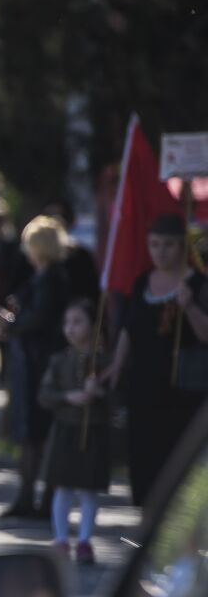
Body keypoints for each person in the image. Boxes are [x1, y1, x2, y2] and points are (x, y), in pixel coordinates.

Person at [104, 213, 208, 506]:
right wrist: (117, 365)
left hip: (182, 389)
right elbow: (130, 328)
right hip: (144, 387)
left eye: (169, 245)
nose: (161, 252)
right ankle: (143, 531)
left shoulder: (198, 285)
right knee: (143, 459)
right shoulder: (142, 284)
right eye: (155, 245)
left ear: (182, 247)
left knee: (174, 465)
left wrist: (189, 307)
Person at [0, 216, 70, 517]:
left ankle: (43, 499)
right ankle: (28, 496)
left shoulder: (51, 279)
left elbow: (38, 318)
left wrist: (10, 326)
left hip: (41, 363)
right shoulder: (41, 278)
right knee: (30, 434)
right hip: (31, 362)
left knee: (39, 433)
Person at [39, 299, 110, 565]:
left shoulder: (103, 362)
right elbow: (45, 395)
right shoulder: (58, 361)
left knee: (89, 489)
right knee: (63, 487)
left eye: (78, 322)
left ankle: (84, 540)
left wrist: (99, 392)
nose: (70, 328)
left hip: (92, 431)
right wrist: (68, 397)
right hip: (65, 429)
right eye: (67, 322)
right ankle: (60, 539)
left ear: (93, 326)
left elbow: (117, 399)